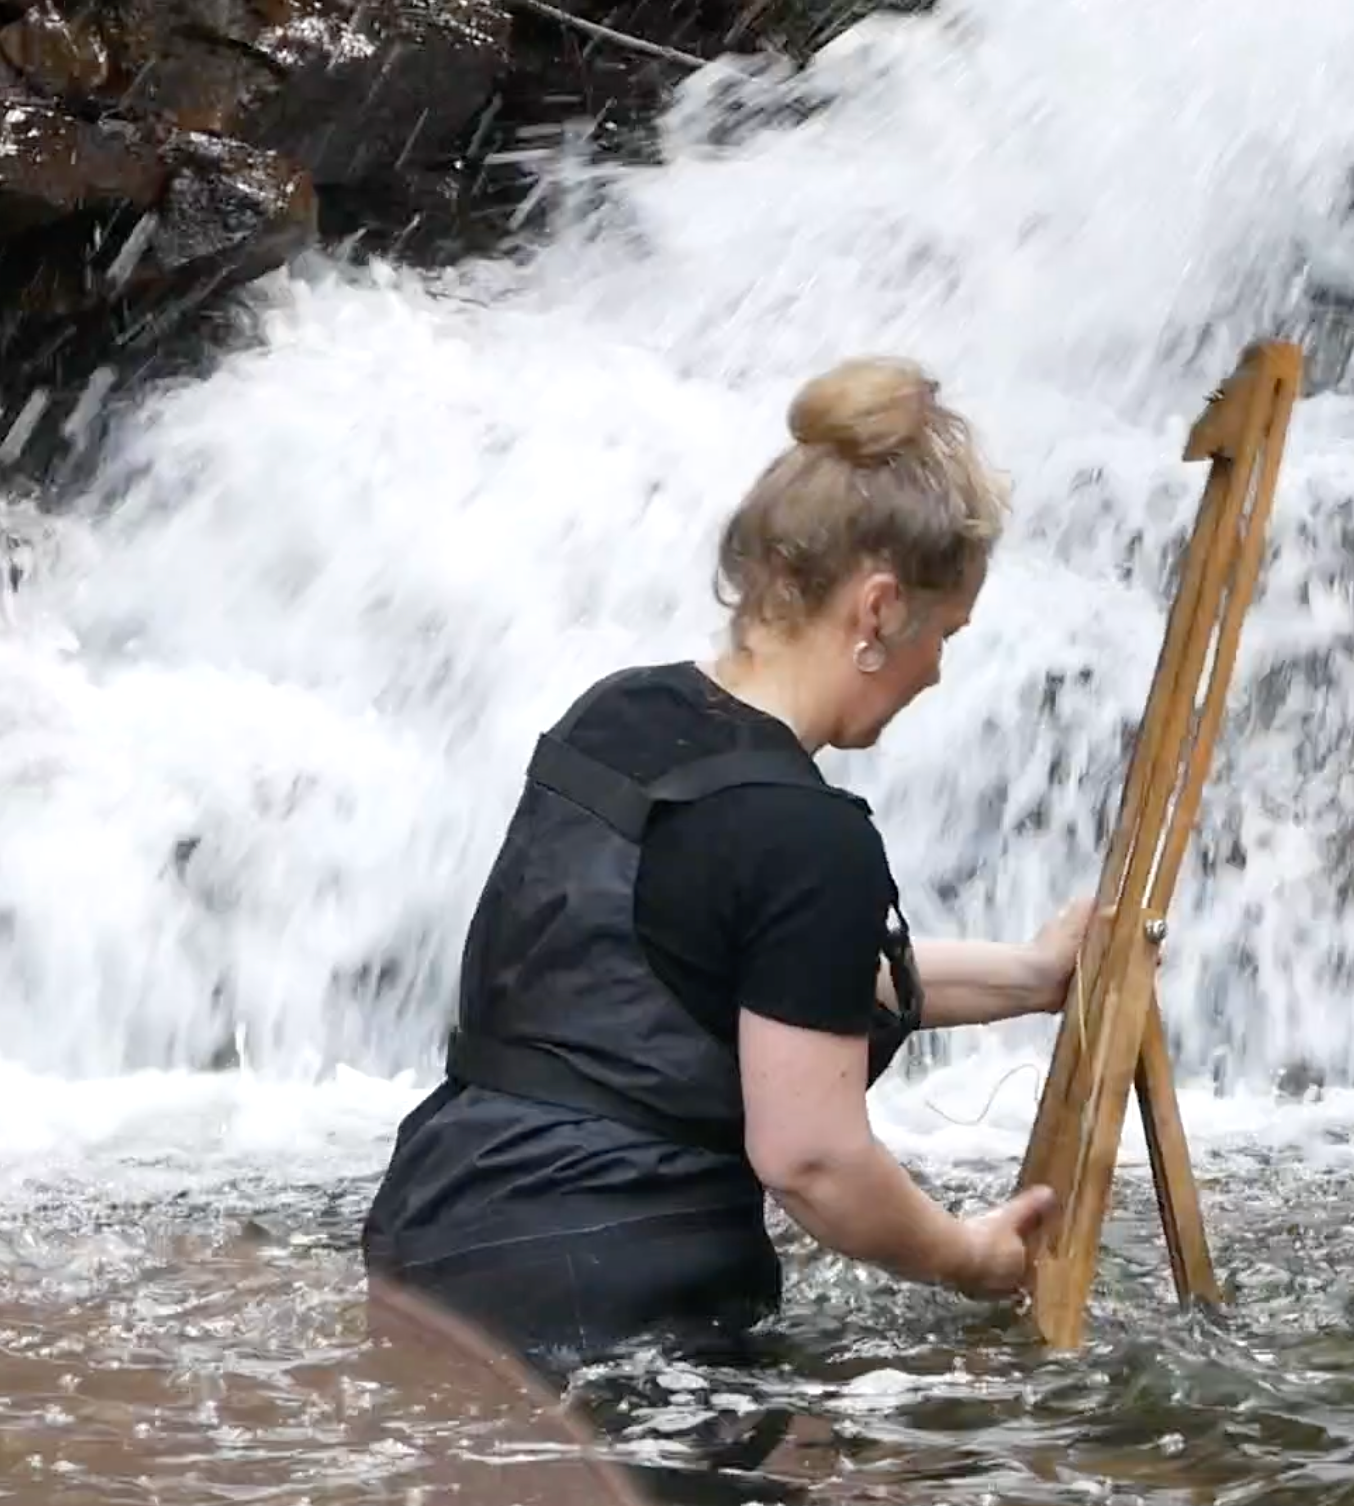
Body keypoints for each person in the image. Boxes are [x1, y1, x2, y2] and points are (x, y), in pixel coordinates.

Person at [360, 355, 1081, 1389]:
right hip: (611, 1305)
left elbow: (745, 977)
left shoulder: (617, 716)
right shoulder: (809, 835)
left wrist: (1034, 979)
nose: (938, 671)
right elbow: (813, 1158)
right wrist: (968, 1256)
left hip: (435, 1247)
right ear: (878, 610)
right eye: (944, 633)